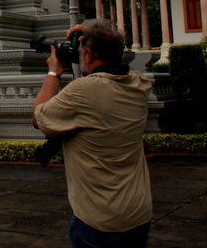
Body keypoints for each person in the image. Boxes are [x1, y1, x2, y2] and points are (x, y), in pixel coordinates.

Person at [32, 22, 153, 247]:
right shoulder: (138, 83)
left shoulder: (84, 90)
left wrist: (53, 71)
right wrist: (95, 35)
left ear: (88, 54)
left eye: (81, 52)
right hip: (137, 212)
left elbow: (38, 118)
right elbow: (116, 57)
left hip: (100, 219)